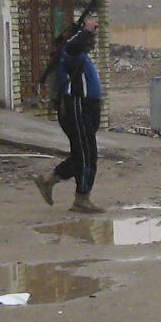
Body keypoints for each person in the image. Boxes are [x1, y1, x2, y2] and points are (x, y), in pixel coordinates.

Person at [33, 12, 104, 213]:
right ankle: (82, 199)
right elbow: (74, 44)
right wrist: (86, 29)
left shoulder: (79, 56)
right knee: (87, 155)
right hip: (77, 106)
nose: (93, 41)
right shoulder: (70, 52)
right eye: (90, 38)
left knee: (81, 154)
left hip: (85, 107)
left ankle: (48, 179)